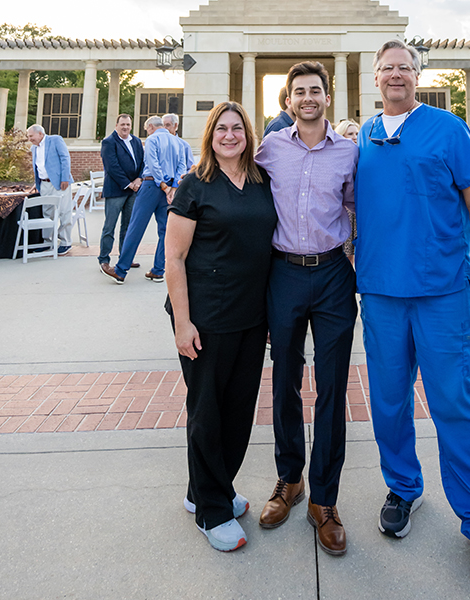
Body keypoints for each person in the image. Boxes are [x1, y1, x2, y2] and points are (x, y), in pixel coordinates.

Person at [356, 39, 470, 589]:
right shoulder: (363, 139)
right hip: (380, 294)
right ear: (374, 79)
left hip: (443, 293)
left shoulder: (447, 128)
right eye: (387, 68)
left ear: (417, 76)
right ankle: (403, 487)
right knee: (389, 403)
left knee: (453, 404)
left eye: (405, 67)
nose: (396, 75)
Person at [255, 61, 358, 557]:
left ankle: (326, 499)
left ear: (327, 97)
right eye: (299, 91)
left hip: (335, 273)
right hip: (284, 272)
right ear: (288, 100)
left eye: (316, 90)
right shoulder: (271, 148)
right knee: (285, 380)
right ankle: (289, 478)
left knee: (334, 386)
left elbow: (361, 209)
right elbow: (231, 174)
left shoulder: (350, 152)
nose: (308, 97)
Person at [166, 101, 277, 552]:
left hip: (251, 316)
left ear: (248, 135)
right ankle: (211, 510)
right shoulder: (195, 185)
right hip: (206, 317)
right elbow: (173, 257)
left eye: (237, 128)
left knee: (237, 412)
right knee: (207, 413)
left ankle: (208, 490)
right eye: (221, 129)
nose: (230, 136)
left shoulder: (260, 181)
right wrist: (182, 322)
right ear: (210, 135)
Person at [101, 116, 186, 284]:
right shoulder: (178, 142)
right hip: (169, 190)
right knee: (164, 231)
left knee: (135, 227)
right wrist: (173, 188)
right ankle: (158, 270)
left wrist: (162, 185)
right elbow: (182, 166)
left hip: (151, 186)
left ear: (150, 127)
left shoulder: (152, 139)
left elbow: (153, 164)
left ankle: (120, 270)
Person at [98, 114, 144, 269]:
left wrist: (139, 179)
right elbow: (112, 167)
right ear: (116, 125)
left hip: (133, 191)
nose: (125, 127)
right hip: (116, 190)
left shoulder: (136, 141)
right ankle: (104, 259)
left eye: (128, 125)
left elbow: (143, 162)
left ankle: (125, 258)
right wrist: (128, 184)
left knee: (128, 226)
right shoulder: (109, 142)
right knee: (109, 226)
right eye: (122, 124)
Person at [27, 125, 74, 256]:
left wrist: (65, 178)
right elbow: (38, 166)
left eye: (31, 136)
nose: (29, 139)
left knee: (64, 212)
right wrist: (37, 183)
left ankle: (65, 242)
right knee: (47, 213)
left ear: (40, 134)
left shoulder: (55, 140)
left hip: (60, 183)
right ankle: (47, 242)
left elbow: (65, 158)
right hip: (44, 184)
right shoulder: (34, 148)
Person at [334, 119, 360, 257]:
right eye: (350, 133)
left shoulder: (362, 153)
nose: (355, 137)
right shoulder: (338, 157)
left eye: (356, 133)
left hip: (359, 209)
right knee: (347, 251)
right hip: (346, 209)